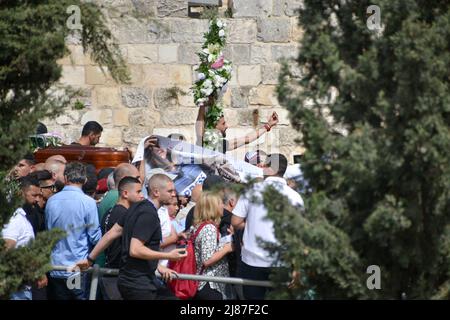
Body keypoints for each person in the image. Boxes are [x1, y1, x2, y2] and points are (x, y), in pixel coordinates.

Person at [76, 174, 187, 300]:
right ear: (156, 192)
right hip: (138, 284)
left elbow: (111, 234)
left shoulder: (136, 207)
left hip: (133, 281)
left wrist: (90, 259)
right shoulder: (148, 213)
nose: (174, 194)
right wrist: (168, 255)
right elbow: (135, 250)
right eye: (170, 191)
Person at [231, 153, 304, 300]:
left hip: (252, 261)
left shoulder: (251, 190)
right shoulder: (295, 197)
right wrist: (297, 268)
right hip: (281, 262)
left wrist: (252, 224)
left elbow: (235, 222)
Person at [45, 162, 101, 300]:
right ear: (85, 180)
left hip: (55, 267)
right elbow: (95, 236)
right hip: (76, 269)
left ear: (65, 178)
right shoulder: (88, 202)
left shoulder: (51, 201)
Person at [2, 175, 47, 300]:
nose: (38, 199)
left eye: (39, 195)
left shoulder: (22, 217)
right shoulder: (14, 219)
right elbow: (5, 248)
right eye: (34, 195)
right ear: (19, 193)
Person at [99, 176, 144, 300]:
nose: (142, 196)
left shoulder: (109, 212)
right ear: (125, 193)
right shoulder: (126, 216)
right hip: (118, 275)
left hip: (109, 273)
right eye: (138, 192)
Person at [192, 192, 234, 300]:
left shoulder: (201, 226)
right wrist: (227, 248)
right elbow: (207, 259)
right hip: (210, 284)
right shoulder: (209, 228)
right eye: (220, 203)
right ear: (212, 207)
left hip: (211, 284)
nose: (223, 206)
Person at [196, 105, 279, 153]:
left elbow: (246, 139)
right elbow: (200, 129)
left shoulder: (221, 144)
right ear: (215, 126)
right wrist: (203, 104)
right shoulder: (204, 142)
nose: (227, 126)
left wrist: (268, 125)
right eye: (223, 123)